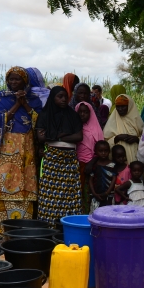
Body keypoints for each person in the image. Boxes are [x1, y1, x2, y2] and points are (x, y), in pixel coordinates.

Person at [0, 67, 43, 233]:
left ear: (25, 82)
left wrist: (25, 104)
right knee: (4, 183)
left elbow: (39, 123)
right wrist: (16, 105)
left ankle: (22, 230)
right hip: (7, 147)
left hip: (26, 150)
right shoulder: (1, 97)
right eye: (11, 79)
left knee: (26, 184)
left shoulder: (34, 100)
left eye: (17, 79)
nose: (13, 82)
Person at [35, 86, 84, 225]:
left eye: (65, 97)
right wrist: (62, 135)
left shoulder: (72, 115)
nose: (63, 100)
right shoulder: (45, 114)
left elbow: (79, 136)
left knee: (69, 194)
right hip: (52, 158)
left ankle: (68, 224)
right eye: (60, 97)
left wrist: (57, 137)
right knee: (50, 194)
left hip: (69, 159)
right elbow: (41, 137)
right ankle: (49, 225)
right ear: (53, 98)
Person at [75, 101, 104, 213]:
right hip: (76, 165)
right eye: (80, 112)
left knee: (90, 193)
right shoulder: (74, 128)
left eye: (85, 112)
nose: (82, 114)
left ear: (90, 113)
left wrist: (91, 163)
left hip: (92, 165)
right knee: (78, 192)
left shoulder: (96, 129)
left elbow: (101, 149)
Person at [103, 94, 144, 164]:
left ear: (129, 106)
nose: (120, 109)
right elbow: (105, 142)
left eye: (123, 106)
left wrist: (137, 139)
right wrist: (117, 138)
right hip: (118, 163)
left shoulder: (136, 120)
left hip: (136, 161)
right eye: (118, 107)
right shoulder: (112, 121)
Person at [87, 140, 116, 212]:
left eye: (106, 151)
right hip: (96, 196)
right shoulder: (95, 165)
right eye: (101, 151)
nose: (103, 153)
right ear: (96, 151)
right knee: (95, 215)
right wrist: (94, 193)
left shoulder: (112, 165)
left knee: (109, 215)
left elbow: (114, 179)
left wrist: (107, 193)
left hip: (109, 196)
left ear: (109, 151)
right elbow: (90, 179)